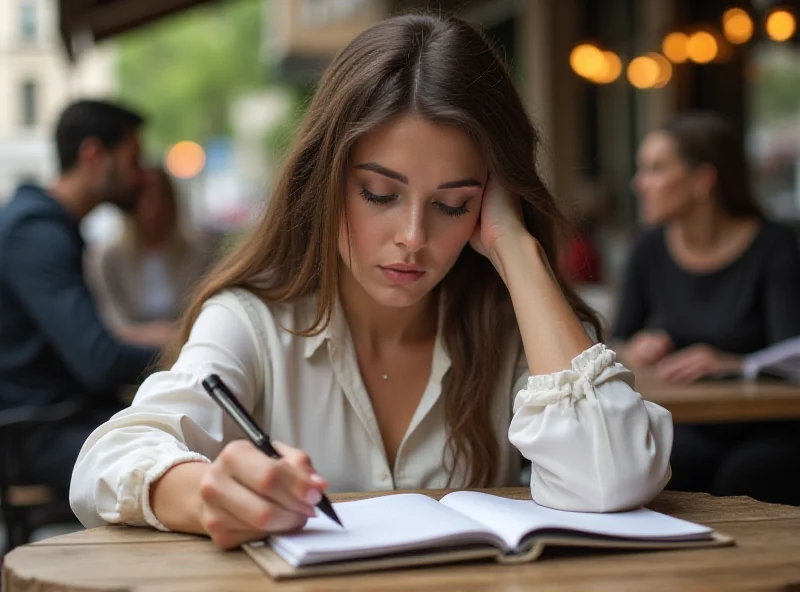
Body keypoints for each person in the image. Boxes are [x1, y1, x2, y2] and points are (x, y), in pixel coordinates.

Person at [70, 14, 673, 549]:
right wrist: (209, 493)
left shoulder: (519, 330)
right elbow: (107, 461)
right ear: (324, 180)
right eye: (380, 194)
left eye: (454, 205)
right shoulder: (251, 321)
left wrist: (517, 251)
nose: (413, 236)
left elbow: (612, 474)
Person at [613, 111, 800, 505]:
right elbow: (617, 341)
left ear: (702, 180)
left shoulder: (774, 248)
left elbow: (792, 356)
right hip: (686, 423)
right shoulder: (647, 249)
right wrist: (635, 349)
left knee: (749, 473)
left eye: (656, 169)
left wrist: (732, 363)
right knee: (664, 461)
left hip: (768, 426)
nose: (639, 184)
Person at [0, 100, 159, 495]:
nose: (141, 177)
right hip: (35, 435)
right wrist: (184, 347)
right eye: (132, 159)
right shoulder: (34, 233)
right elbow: (99, 361)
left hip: (60, 420)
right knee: (177, 456)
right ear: (93, 155)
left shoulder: (44, 227)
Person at [87, 167, 213, 344]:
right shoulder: (107, 258)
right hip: (130, 357)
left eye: (162, 198)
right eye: (146, 198)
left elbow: (206, 312)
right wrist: (158, 334)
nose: (155, 208)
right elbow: (111, 322)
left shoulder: (198, 251)